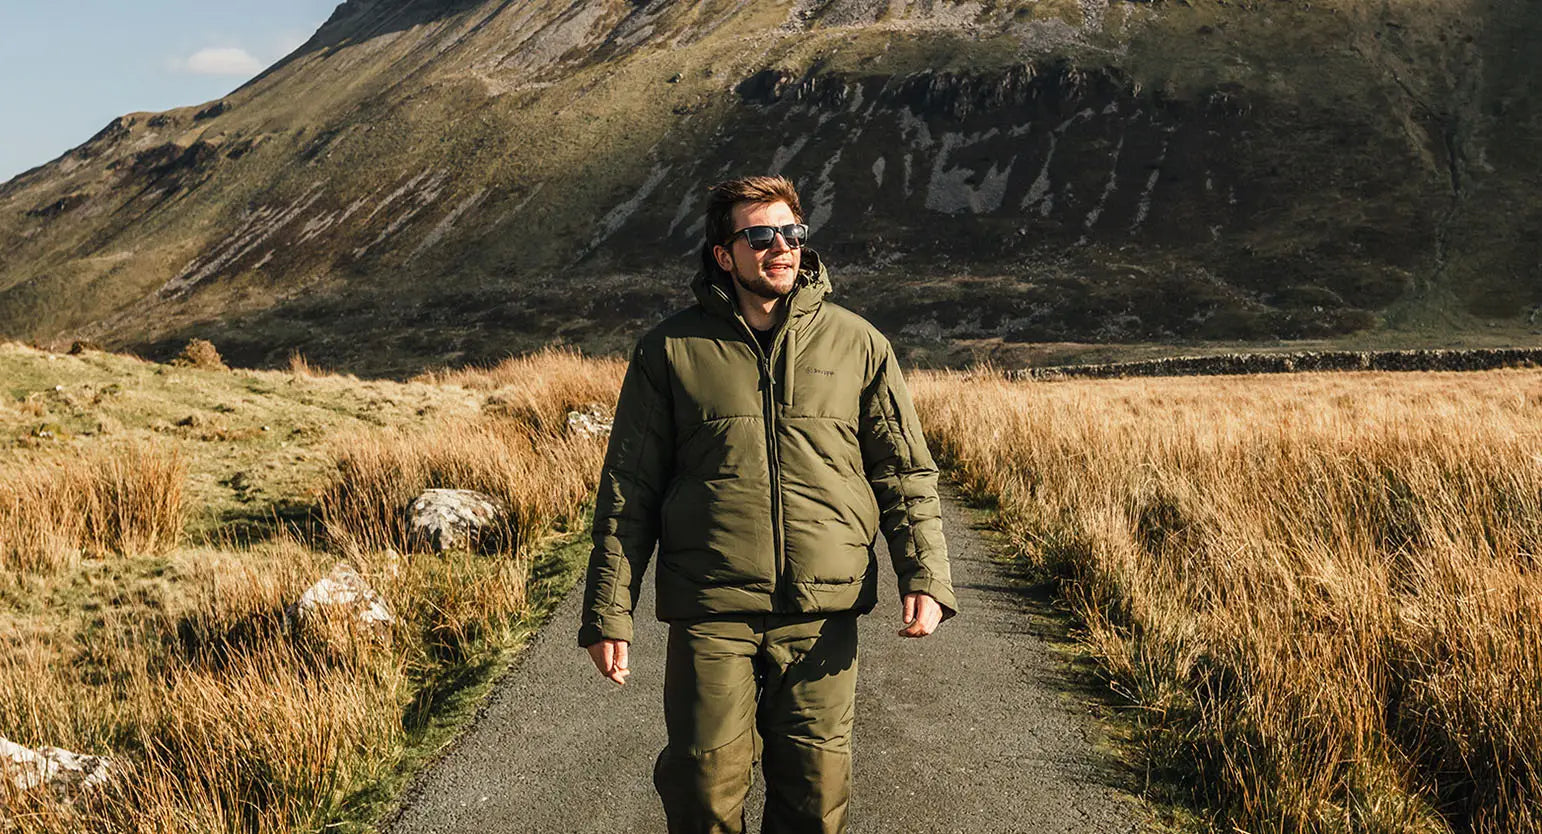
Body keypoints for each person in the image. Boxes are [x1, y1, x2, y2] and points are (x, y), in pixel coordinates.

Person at [578, 174, 957, 834]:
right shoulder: (669, 351)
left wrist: (925, 574)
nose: (781, 247)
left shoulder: (859, 344)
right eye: (760, 235)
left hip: (822, 612)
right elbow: (627, 491)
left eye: (792, 233)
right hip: (711, 609)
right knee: (702, 791)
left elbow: (903, 471)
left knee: (815, 798)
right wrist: (609, 609)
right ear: (723, 254)